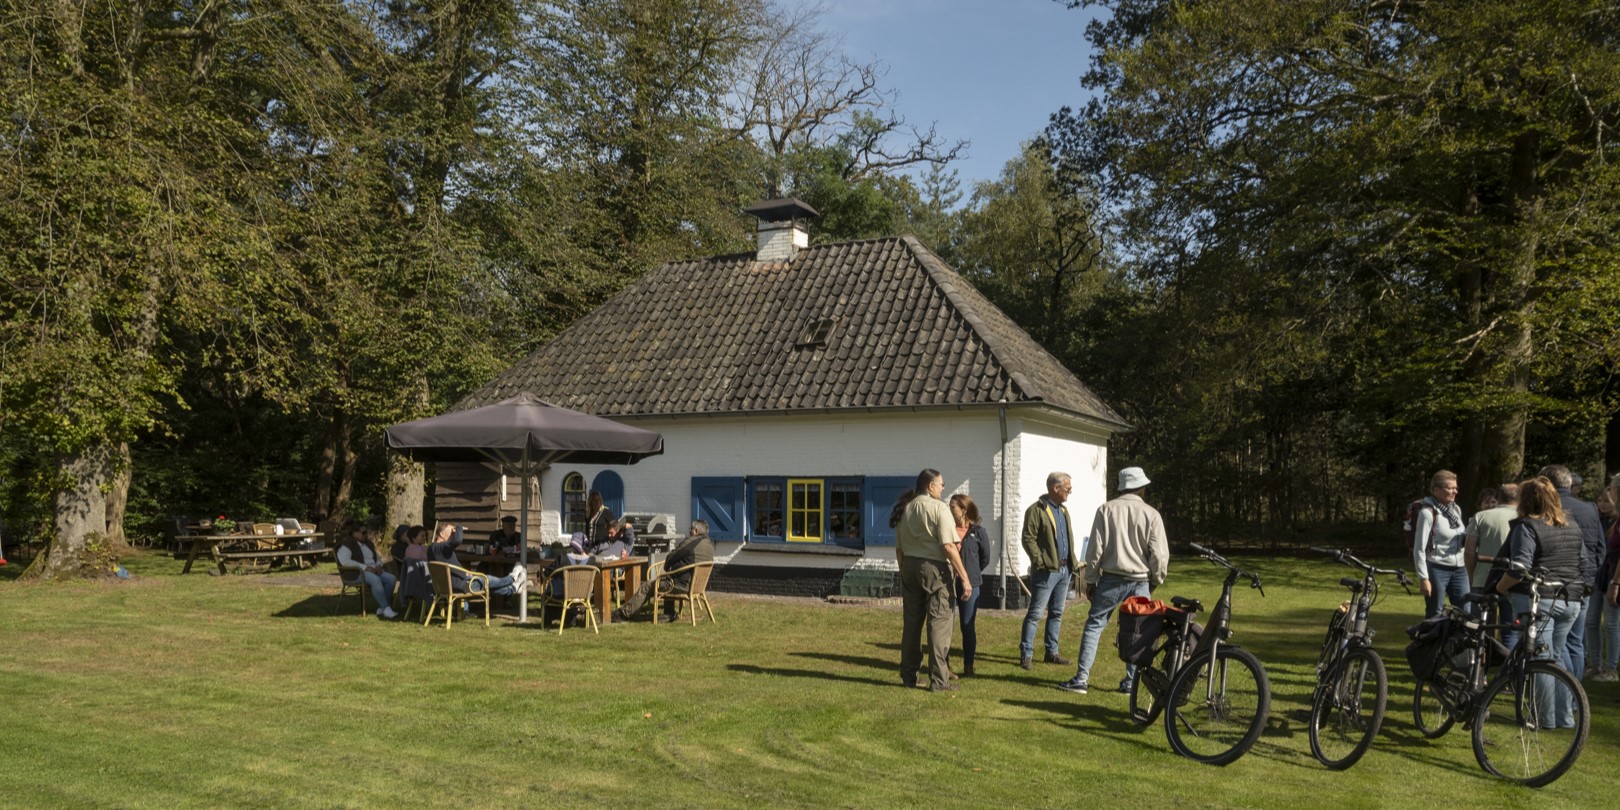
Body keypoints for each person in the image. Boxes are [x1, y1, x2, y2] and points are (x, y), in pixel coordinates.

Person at [1059, 466, 1168, 696]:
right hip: (1139, 580)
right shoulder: (1151, 514)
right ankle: (1131, 682)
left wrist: (1090, 580)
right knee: (1138, 632)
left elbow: (1094, 551)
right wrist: (1156, 579)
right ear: (1142, 489)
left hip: (1110, 579)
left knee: (1095, 626)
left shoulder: (1105, 510)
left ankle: (1081, 679)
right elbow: (1159, 554)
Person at [1495, 476, 1585, 728]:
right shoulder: (1571, 525)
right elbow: (1584, 563)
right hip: (1570, 599)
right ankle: (1564, 717)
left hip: (1539, 599)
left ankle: (1544, 719)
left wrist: (1501, 588)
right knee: (1556, 657)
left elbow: (1520, 567)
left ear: (1524, 500)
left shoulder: (1527, 526)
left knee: (1542, 662)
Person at [892, 469, 972, 692]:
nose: (943, 488)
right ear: (930, 486)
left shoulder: (905, 508)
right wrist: (965, 578)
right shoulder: (939, 508)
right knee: (939, 623)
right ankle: (939, 680)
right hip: (934, 569)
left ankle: (909, 675)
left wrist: (904, 571)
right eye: (941, 484)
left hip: (909, 566)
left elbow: (899, 549)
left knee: (911, 624)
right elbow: (948, 546)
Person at [1539, 464, 1603, 679]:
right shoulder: (1590, 508)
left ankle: (1566, 692)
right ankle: (1576, 693)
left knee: (1558, 643)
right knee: (1575, 641)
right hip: (1585, 581)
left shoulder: (1547, 509)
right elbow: (1599, 547)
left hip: (1556, 583)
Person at [1018, 472, 1078, 671]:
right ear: (1056, 488)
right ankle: (1026, 654)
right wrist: (1040, 561)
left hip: (1064, 570)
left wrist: (1072, 564)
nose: (1070, 492)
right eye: (1067, 488)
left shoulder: (1064, 511)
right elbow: (1028, 538)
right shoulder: (1036, 510)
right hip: (1046, 572)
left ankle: (1051, 653)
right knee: (1035, 613)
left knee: (1057, 613)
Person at [613, 520, 714, 621]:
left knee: (647, 587)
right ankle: (668, 613)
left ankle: (624, 614)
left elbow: (672, 556)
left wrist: (668, 566)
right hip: (696, 586)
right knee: (668, 577)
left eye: (690, 530)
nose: (689, 532)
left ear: (696, 530)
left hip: (680, 585)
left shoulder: (691, 541)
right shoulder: (709, 545)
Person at [1413, 470, 1468, 618]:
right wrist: (1424, 578)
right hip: (1437, 569)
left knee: (1465, 611)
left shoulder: (1456, 510)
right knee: (1435, 613)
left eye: (1455, 488)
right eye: (1450, 488)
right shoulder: (1427, 513)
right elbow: (1419, 548)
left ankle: (1458, 641)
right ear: (1436, 490)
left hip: (1460, 569)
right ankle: (1431, 641)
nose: (1455, 491)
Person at [950, 494, 991, 677]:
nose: (950, 510)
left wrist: (971, 574)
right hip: (948, 583)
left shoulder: (978, 532)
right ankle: (944, 665)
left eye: (953, 508)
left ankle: (969, 665)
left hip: (971, 584)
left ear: (963, 510)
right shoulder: (947, 529)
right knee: (945, 625)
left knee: (967, 625)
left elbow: (985, 558)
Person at [427, 523, 527, 598]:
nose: (453, 534)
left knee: (488, 587)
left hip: (448, 586)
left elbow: (449, 568)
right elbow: (457, 540)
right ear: (441, 533)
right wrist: (458, 528)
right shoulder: (441, 548)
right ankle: (512, 578)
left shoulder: (431, 549)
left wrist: (465, 574)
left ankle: (513, 588)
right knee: (485, 579)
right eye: (451, 532)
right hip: (461, 586)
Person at [1590, 476, 1620, 681]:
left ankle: (1611, 668)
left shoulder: (1615, 522)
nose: (1603, 503)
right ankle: (1596, 664)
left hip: (1612, 575)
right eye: (1600, 500)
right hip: (1597, 575)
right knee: (1591, 621)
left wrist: (1615, 582)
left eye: (1607, 499)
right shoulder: (1595, 520)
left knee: (1611, 623)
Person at [336, 520, 398, 620]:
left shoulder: (368, 543)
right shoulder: (347, 544)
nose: (366, 535)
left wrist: (378, 565)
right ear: (354, 533)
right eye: (363, 532)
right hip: (355, 573)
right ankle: (386, 608)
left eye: (366, 532)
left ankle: (382, 607)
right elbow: (345, 561)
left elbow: (377, 557)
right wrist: (365, 568)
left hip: (373, 570)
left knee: (391, 579)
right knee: (374, 579)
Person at [1465, 482, 1519, 590]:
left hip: (1483, 578)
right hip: (1513, 579)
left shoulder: (1480, 517)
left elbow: (1469, 552)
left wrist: (1472, 576)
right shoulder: (1525, 516)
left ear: (1499, 498)